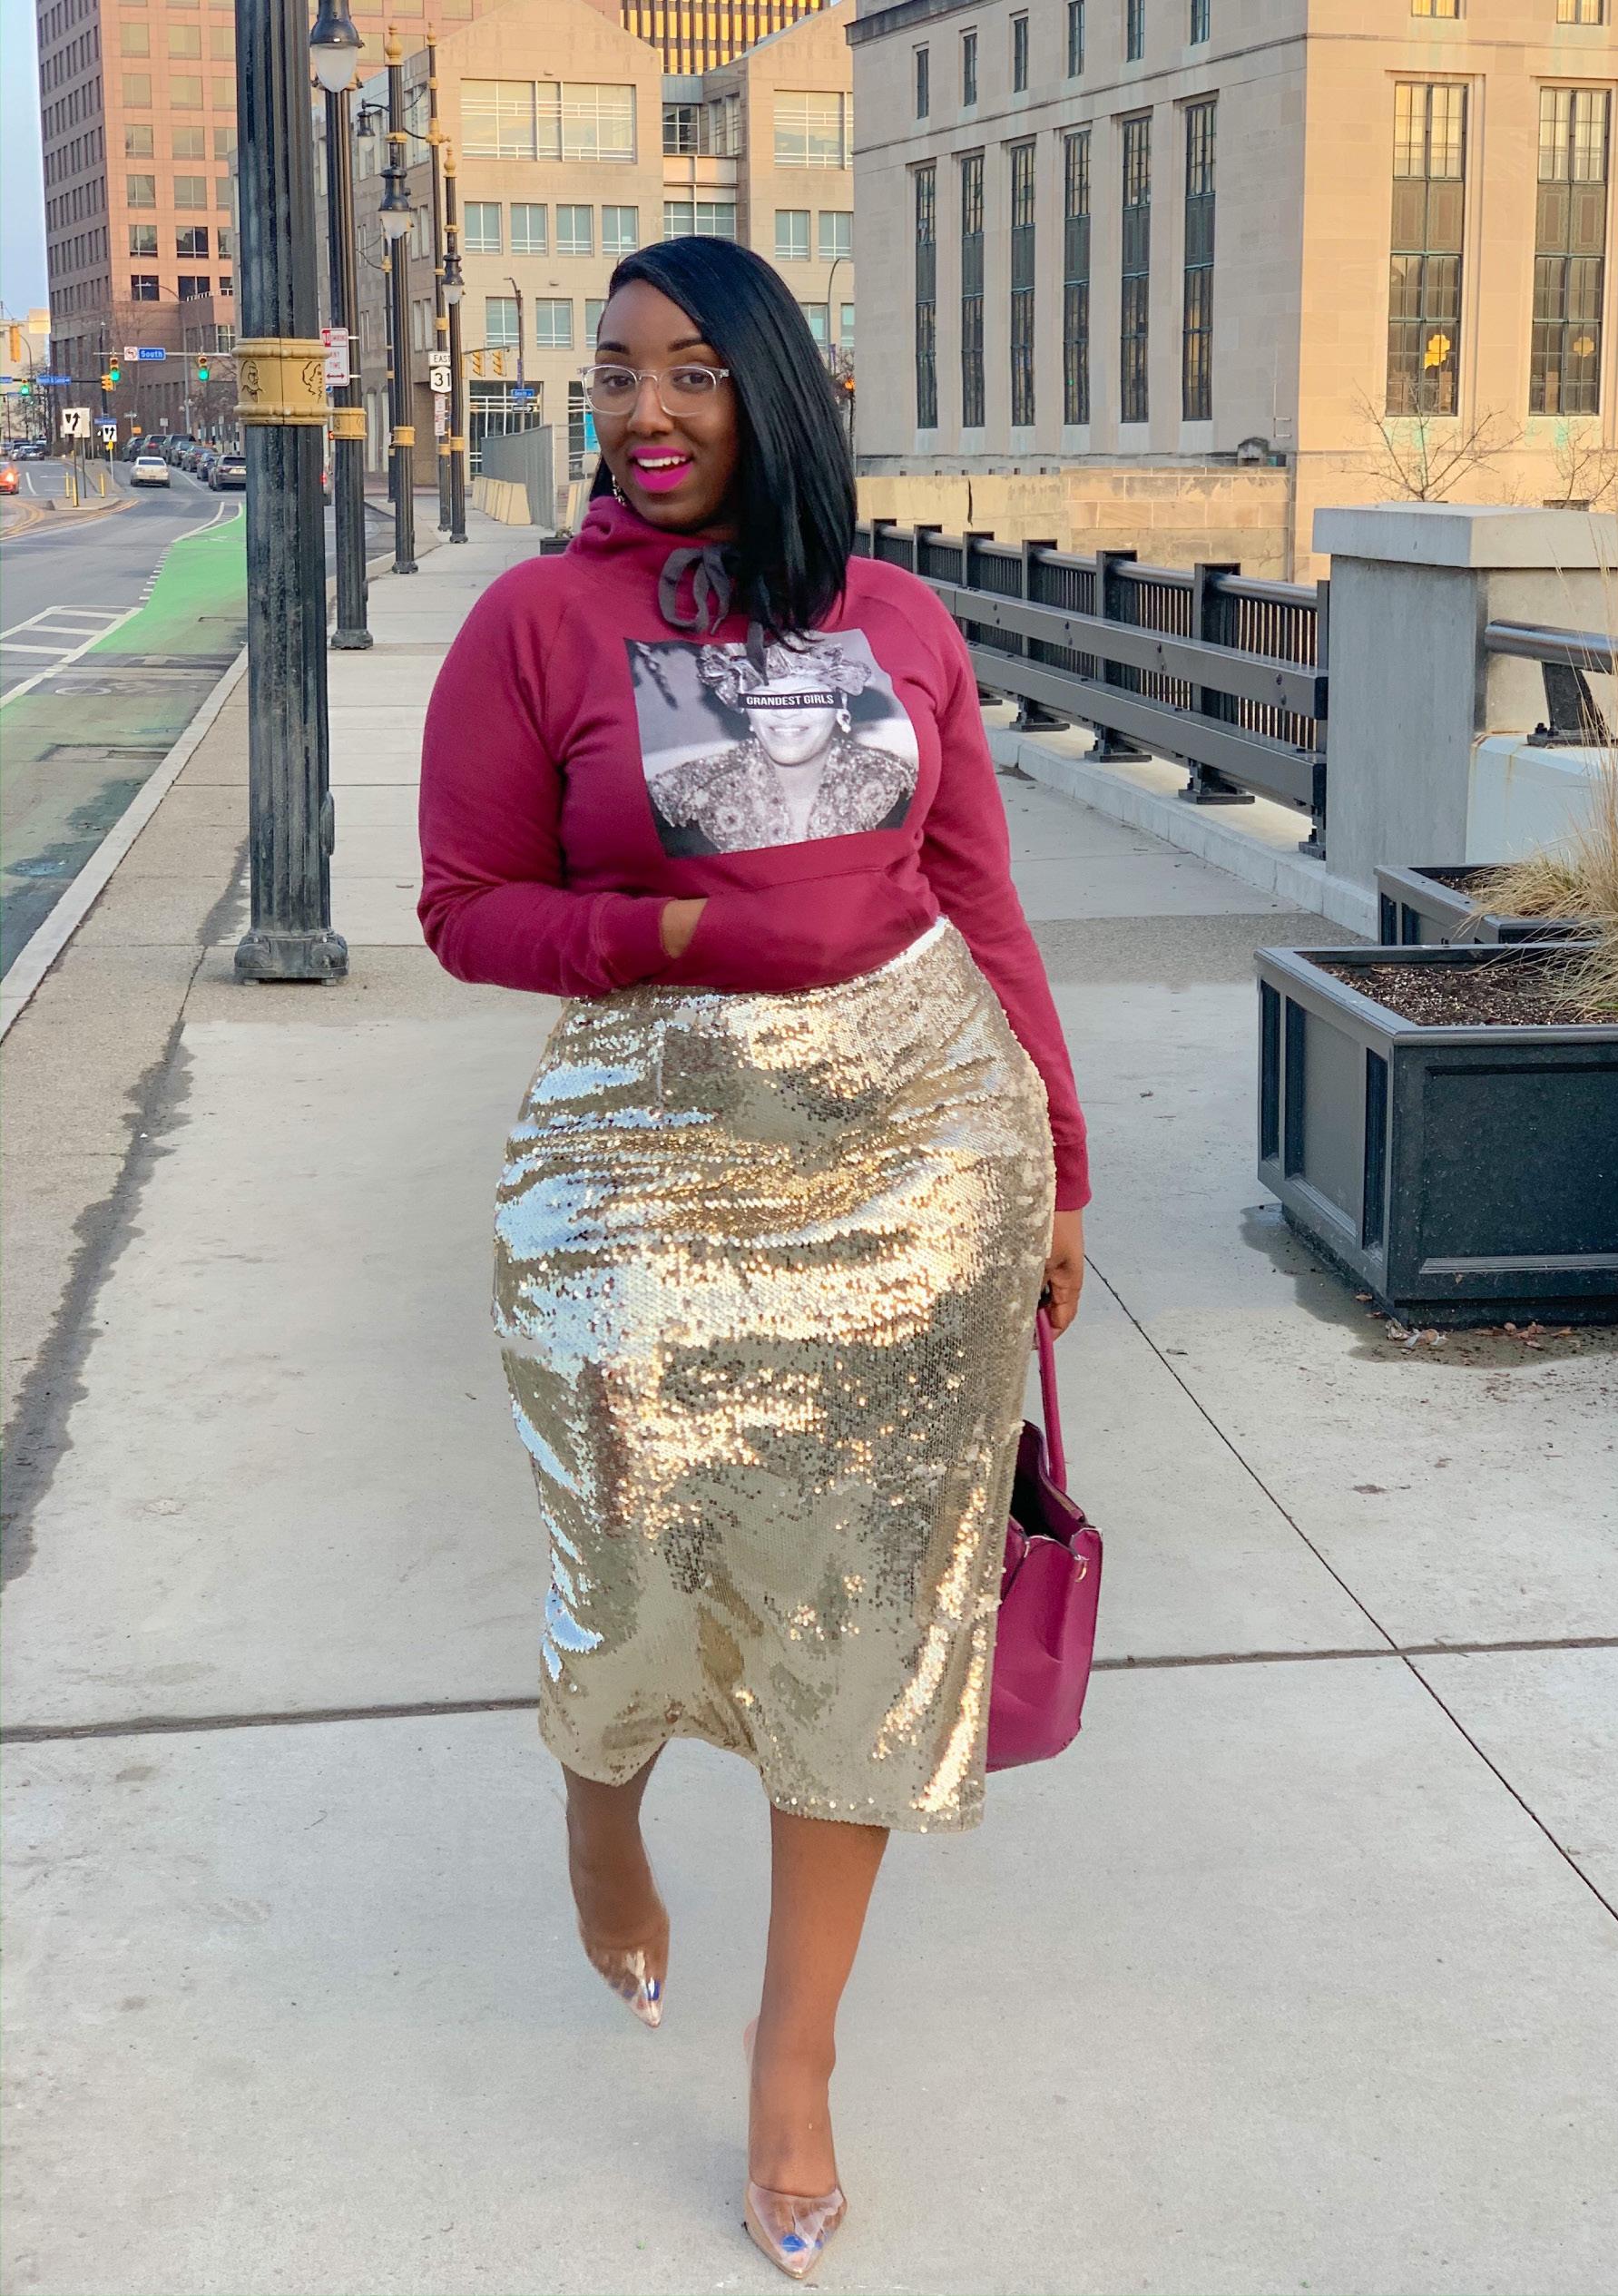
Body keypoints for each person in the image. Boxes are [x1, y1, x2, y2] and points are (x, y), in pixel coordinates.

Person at [418, 236, 1089, 2282]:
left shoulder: (898, 618)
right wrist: (678, 936)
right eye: (617, 370)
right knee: (626, 1545)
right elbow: (464, 904)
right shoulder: (537, 622)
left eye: (695, 371)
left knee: (866, 1605)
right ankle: (599, 1804)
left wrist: (1058, 1165)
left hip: (916, 1149)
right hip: (647, 1137)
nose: (647, 410)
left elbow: (978, 898)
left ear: (777, 391)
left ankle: (793, 2059)